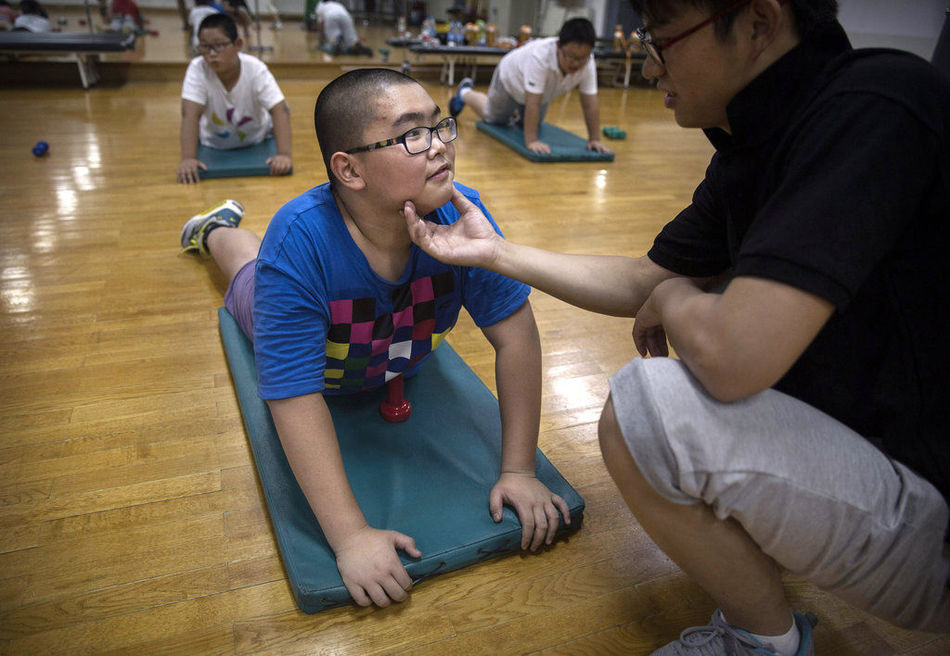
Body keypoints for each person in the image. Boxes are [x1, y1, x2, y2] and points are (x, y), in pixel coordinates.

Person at [405, 0, 950, 653]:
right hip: (870, 455)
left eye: (664, 41)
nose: (648, 62)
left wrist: (676, 299)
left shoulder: (876, 105)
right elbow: (643, 278)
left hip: (931, 515)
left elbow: (727, 351)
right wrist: (493, 250)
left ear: (758, 23)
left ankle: (762, 641)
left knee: (649, 407)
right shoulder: (752, 141)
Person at [179, 68, 571, 608]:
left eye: (440, 127)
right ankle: (214, 227)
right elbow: (293, 396)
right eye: (412, 135)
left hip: (391, 349)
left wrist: (519, 470)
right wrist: (349, 537)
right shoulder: (298, 245)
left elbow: (518, 337)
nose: (438, 147)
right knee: (244, 267)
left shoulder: (463, 213)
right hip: (302, 316)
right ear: (349, 169)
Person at [448, 17, 611, 156]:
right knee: (494, 118)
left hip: (541, 93)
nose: (576, 63)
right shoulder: (540, 56)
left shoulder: (588, 63)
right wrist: (532, 141)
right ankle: (465, 92)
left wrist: (595, 139)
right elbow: (532, 102)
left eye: (581, 58)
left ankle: (514, 113)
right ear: (558, 47)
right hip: (510, 80)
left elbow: (590, 104)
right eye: (570, 57)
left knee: (528, 124)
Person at [177, 12, 292, 184]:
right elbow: (189, 114)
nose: (211, 54)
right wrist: (187, 158)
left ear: (238, 44)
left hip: (256, 138)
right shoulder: (197, 69)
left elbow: (280, 109)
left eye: (219, 45)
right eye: (205, 47)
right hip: (214, 142)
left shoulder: (255, 69)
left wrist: (284, 154)